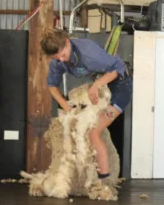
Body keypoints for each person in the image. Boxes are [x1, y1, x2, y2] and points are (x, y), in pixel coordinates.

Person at [40, 27, 133, 180]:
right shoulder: (58, 61)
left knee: (93, 132)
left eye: (63, 55)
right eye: (57, 58)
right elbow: (51, 85)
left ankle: (104, 182)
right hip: (103, 87)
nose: (62, 60)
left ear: (67, 42)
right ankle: (87, 177)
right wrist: (64, 104)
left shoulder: (88, 52)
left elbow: (117, 69)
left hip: (120, 87)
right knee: (84, 129)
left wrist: (96, 85)